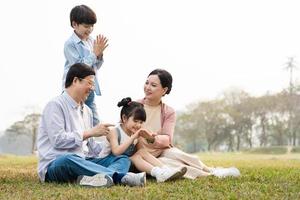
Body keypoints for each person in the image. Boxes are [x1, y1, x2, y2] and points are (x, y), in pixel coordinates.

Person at [37, 63, 146, 187]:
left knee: (121, 159)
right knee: (68, 159)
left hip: (84, 160)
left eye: (93, 84)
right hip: (56, 163)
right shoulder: (55, 105)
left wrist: (110, 143)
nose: (92, 88)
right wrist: (91, 132)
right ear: (75, 80)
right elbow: (58, 140)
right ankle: (119, 177)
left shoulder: (87, 111)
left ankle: (97, 179)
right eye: (90, 83)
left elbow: (92, 147)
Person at [137, 68, 240, 179]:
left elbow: (167, 139)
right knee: (172, 165)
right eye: (147, 83)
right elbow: (122, 128)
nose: (147, 87)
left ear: (164, 90)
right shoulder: (134, 106)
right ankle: (208, 175)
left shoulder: (168, 111)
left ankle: (211, 169)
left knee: (178, 154)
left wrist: (151, 138)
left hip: (160, 150)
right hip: (142, 153)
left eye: (153, 85)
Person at [97, 97, 187, 182]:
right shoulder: (114, 131)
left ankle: (166, 170)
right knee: (132, 157)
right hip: (108, 163)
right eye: (135, 121)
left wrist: (149, 137)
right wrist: (133, 138)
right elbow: (116, 152)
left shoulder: (135, 133)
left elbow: (140, 152)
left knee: (141, 152)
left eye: (141, 122)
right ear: (124, 118)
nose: (138, 125)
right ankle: (158, 173)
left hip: (125, 163)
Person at [62, 4, 108, 126]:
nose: (90, 29)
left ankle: (99, 143)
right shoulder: (70, 44)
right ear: (74, 24)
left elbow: (95, 67)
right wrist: (94, 53)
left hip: (89, 87)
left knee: (94, 121)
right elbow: (78, 69)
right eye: (86, 26)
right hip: (73, 89)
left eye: (92, 26)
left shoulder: (91, 41)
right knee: (73, 121)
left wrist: (99, 55)